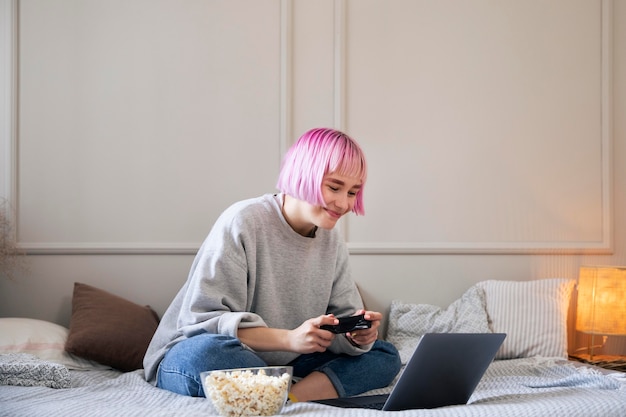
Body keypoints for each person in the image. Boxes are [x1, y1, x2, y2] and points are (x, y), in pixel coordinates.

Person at [143, 127, 401, 401]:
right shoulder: (243, 221)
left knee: (384, 354)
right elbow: (201, 322)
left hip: (287, 359)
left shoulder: (331, 239)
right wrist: (290, 339)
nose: (344, 203)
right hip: (196, 353)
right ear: (303, 174)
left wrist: (354, 335)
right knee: (204, 353)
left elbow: (336, 322)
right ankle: (278, 389)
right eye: (335, 187)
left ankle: (287, 398)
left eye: (353, 192)